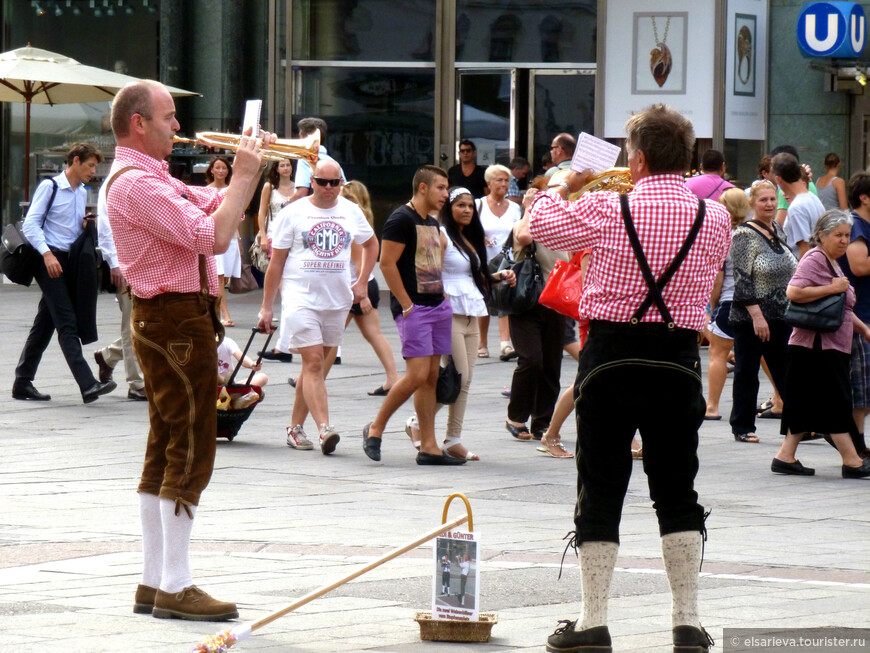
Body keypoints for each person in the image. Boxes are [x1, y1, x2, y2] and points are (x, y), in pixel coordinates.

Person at [529, 104, 731, 653]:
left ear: (636, 157)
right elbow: (710, 273)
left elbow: (537, 223)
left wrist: (571, 180)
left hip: (611, 353)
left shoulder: (605, 206)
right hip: (676, 357)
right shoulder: (715, 217)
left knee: (601, 485)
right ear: (686, 156)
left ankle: (593, 621)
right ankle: (686, 621)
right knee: (676, 488)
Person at [105, 79, 273, 621]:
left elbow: (215, 204)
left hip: (174, 315)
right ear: (139, 123)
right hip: (173, 317)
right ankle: (176, 583)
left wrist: (249, 172)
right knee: (194, 440)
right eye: (169, 117)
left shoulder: (152, 177)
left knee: (166, 440)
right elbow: (214, 236)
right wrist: (245, 173)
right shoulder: (137, 185)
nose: (177, 126)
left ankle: (154, 581)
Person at [258, 160, 377, 454]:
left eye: (334, 183)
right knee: (312, 362)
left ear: (341, 183)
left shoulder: (350, 211)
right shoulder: (294, 212)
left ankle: (294, 428)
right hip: (300, 297)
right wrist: (267, 307)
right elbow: (277, 263)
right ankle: (325, 429)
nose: (328, 188)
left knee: (316, 368)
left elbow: (371, 244)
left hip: (336, 300)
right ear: (311, 181)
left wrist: (362, 281)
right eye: (322, 182)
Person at [361, 165, 466, 465]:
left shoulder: (430, 221)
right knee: (418, 374)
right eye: (441, 188)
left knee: (431, 377)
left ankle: (429, 446)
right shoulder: (400, 219)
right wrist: (407, 305)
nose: (446, 194)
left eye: (447, 188)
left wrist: (442, 294)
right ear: (423, 188)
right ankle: (376, 427)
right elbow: (386, 264)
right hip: (415, 308)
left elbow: (431, 261)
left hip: (437, 306)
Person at [409, 186, 515, 461]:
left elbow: (475, 276)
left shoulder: (469, 239)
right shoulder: (441, 235)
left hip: (472, 311)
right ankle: (419, 423)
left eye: (470, 206)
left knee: (465, 382)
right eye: (460, 205)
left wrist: (499, 276)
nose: (467, 210)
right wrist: (438, 294)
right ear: (449, 208)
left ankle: (452, 438)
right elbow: (429, 271)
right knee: (459, 376)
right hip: (449, 313)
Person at [13, 142, 117, 404]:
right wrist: (47, 255)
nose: (93, 171)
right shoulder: (50, 187)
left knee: (45, 323)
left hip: (68, 262)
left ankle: (22, 382)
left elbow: (70, 229)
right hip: (48, 259)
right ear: (76, 161)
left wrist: (83, 224)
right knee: (67, 322)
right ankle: (87, 384)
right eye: (90, 165)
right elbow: (32, 225)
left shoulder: (81, 192)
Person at [773, 210, 870, 478]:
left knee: (803, 402)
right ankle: (852, 461)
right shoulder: (815, 258)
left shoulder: (832, 261)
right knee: (836, 401)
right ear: (821, 235)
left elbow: (842, 309)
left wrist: (863, 330)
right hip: (815, 345)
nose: (844, 240)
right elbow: (793, 292)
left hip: (827, 344)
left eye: (847, 235)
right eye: (838, 235)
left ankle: (785, 456)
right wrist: (831, 288)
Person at [728, 180, 797, 443]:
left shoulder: (778, 228)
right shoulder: (744, 234)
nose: (769, 204)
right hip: (750, 317)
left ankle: (800, 423)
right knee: (747, 371)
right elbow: (742, 279)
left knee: (786, 369)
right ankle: (742, 426)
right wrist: (757, 316)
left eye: (772, 200)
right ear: (752, 204)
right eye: (763, 200)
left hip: (781, 314)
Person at [504, 201, 569, 443]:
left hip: (555, 304)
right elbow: (522, 235)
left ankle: (542, 422)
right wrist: (531, 208)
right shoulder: (525, 225)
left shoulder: (562, 230)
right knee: (531, 359)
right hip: (526, 302)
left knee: (552, 365)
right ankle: (515, 416)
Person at [341, 180, 401, 396]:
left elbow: (358, 265)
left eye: (345, 197)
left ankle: (308, 377)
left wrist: (362, 293)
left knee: (330, 336)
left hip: (356, 288)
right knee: (373, 335)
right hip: (362, 286)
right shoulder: (362, 222)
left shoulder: (354, 226)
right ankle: (393, 377)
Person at [93, 175, 146, 401]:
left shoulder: (149, 176)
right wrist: (113, 262)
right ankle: (136, 383)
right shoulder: (118, 179)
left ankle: (108, 356)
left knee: (146, 324)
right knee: (132, 324)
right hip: (126, 264)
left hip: (147, 262)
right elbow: (104, 224)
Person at [704, 188, 749, 420]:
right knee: (763, 355)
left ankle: (712, 406)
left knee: (718, 353)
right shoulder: (754, 234)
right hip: (756, 304)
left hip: (730, 300)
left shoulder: (725, 237)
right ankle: (781, 398)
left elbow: (718, 279)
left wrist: (712, 308)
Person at [476, 164, 522, 361]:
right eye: (499, 180)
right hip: (483, 260)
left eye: (506, 180)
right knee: (484, 302)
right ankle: (482, 343)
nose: (504, 184)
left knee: (504, 298)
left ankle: (505, 344)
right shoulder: (478, 205)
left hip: (507, 261)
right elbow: (468, 230)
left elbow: (519, 232)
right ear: (489, 183)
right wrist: (480, 238)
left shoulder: (515, 208)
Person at [840, 172, 870, 458]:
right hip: (859, 316)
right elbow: (859, 265)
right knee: (861, 385)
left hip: (865, 313)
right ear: (864, 197)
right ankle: (856, 444)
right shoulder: (856, 225)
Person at [255, 157, 296, 362]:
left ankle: (285, 335)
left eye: (288, 165)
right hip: (274, 237)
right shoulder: (269, 187)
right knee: (280, 281)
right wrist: (262, 235)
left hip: (293, 239)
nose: (286, 168)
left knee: (286, 284)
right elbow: (261, 213)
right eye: (282, 165)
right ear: (277, 169)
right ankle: (274, 310)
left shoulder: (300, 188)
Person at [205, 156, 240, 327]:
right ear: (211, 170)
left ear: (228, 171)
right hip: (213, 236)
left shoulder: (231, 191)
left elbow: (236, 217)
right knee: (217, 277)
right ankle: (224, 314)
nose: (220, 171)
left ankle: (214, 311)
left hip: (231, 238)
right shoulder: (206, 191)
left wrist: (239, 241)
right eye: (217, 167)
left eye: (223, 168)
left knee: (223, 279)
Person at [774, 152, 825, 260]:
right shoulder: (813, 198)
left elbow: (804, 249)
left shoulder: (796, 207)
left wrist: (799, 276)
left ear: (779, 179)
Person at [287, 117, 346, 204]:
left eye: (300, 135)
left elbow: (302, 193)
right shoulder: (334, 163)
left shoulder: (306, 159)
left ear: (305, 137)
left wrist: (286, 203)